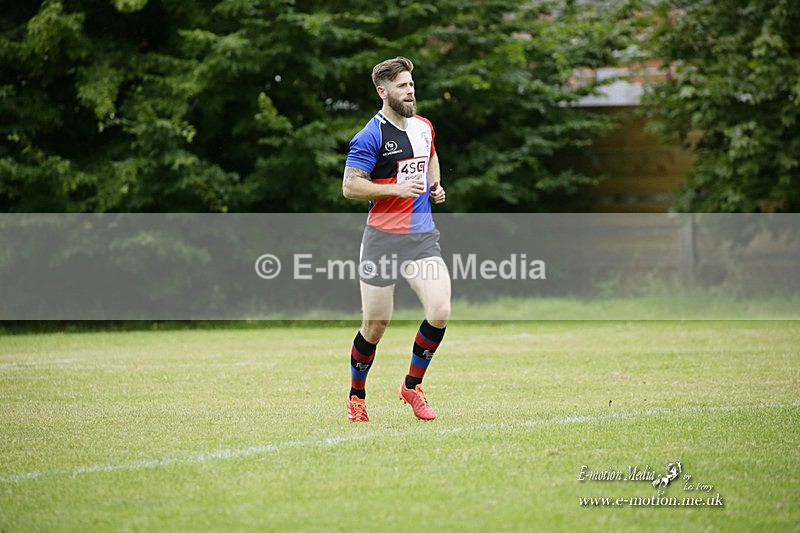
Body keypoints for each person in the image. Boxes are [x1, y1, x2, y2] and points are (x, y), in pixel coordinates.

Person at [342, 56, 451, 422]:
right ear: (383, 91)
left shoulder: (423, 127)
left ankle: (412, 386)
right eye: (403, 86)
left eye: (411, 85)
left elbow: (431, 155)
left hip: (421, 237)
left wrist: (435, 185)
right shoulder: (370, 135)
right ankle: (357, 395)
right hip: (382, 239)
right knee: (376, 325)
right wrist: (396, 189)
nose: (410, 91)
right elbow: (350, 186)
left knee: (439, 311)